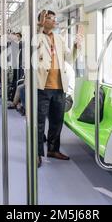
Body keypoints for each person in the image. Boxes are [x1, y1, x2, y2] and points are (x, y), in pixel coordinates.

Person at [36, 10, 82, 167]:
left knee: (57, 121)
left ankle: (53, 149)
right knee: (39, 122)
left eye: (54, 18)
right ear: (42, 20)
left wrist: (76, 47)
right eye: (50, 18)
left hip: (59, 86)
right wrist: (38, 27)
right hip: (42, 87)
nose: (54, 21)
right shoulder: (36, 36)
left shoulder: (59, 38)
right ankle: (37, 153)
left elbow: (69, 58)